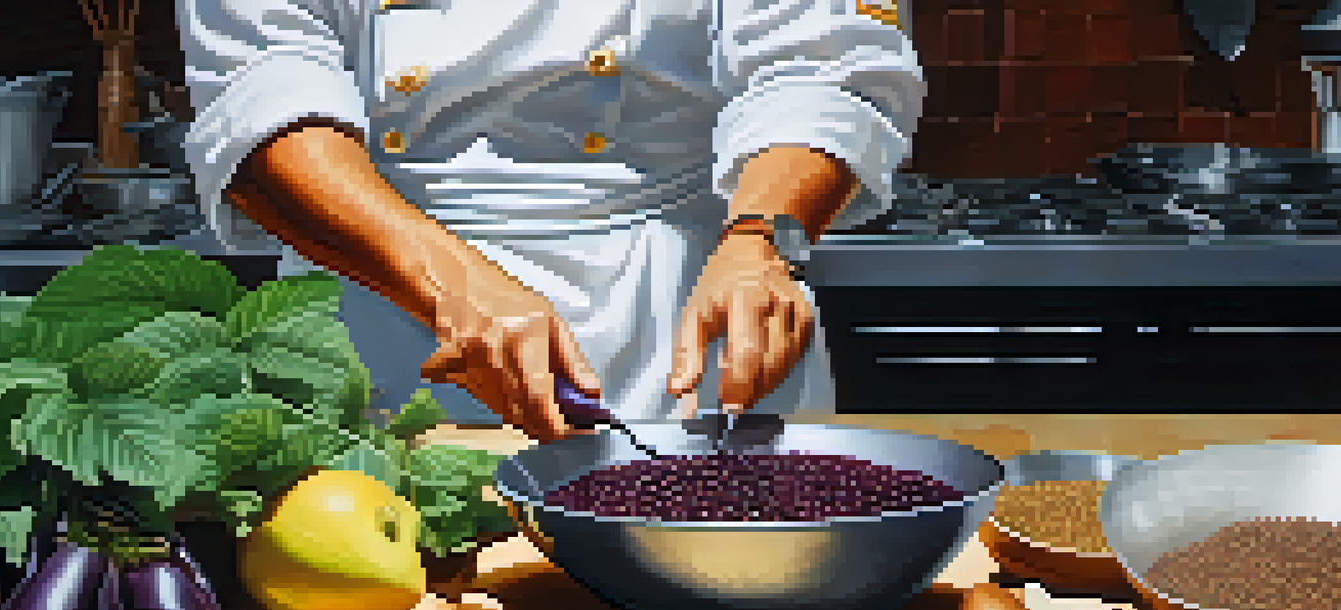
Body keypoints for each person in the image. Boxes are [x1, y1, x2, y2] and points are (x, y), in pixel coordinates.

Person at [177, 0, 924, 442]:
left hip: (681, 325)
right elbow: (260, 103)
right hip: (381, 306)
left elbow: (827, 71)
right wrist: (453, 287)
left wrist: (761, 238)